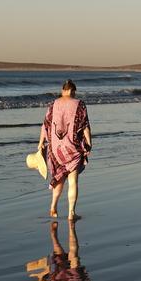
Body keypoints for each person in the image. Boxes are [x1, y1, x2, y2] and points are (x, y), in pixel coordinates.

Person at [37, 79, 92, 220]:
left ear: (63, 90)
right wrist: (89, 143)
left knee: (59, 178)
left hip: (55, 149)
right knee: (73, 180)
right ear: (72, 91)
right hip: (72, 148)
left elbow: (45, 125)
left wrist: (41, 143)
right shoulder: (79, 104)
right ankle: (71, 213)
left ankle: (53, 206)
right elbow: (85, 125)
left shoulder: (53, 104)